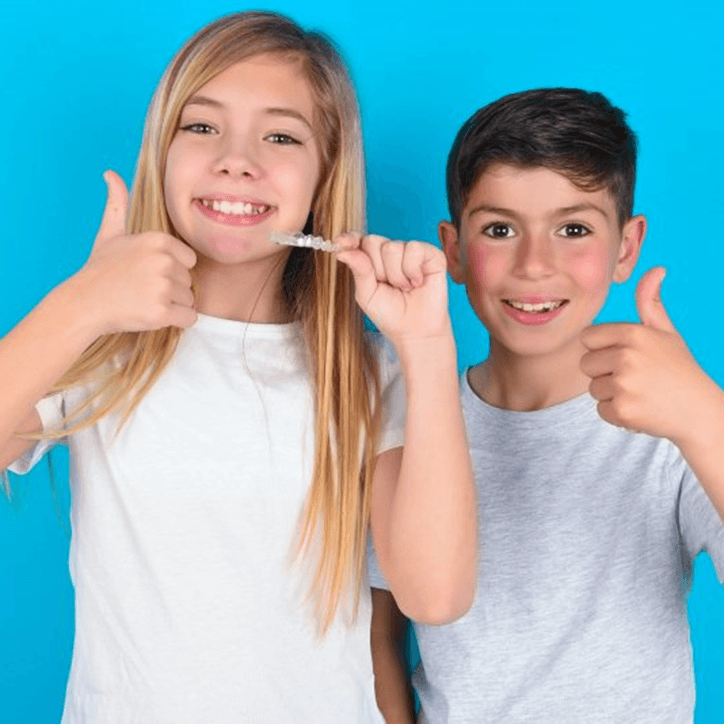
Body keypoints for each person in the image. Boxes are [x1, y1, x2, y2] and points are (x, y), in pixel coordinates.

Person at [0, 11, 476, 722]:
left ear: (325, 178)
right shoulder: (105, 345)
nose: (237, 158)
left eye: (281, 136)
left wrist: (429, 349)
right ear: (160, 151)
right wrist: (82, 305)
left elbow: (434, 594)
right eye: (201, 126)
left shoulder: (367, 372)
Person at [370, 87, 724, 723]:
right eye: (500, 230)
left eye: (574, 229)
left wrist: (705, 420)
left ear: (626, 247)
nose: (535, 265)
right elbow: (378, 636)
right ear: (453, 251)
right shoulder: (411, 417)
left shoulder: (677, 427)